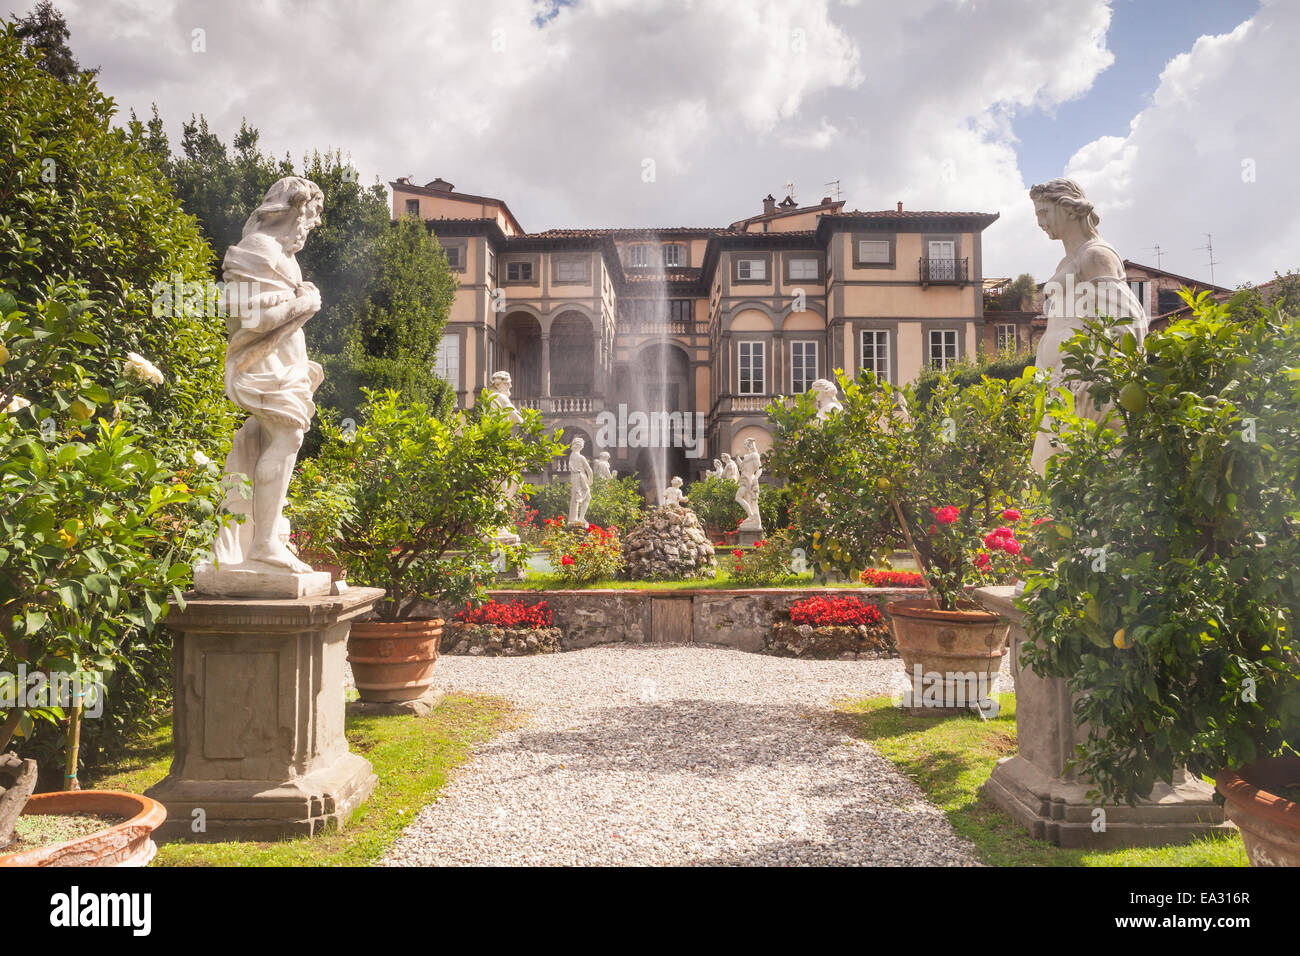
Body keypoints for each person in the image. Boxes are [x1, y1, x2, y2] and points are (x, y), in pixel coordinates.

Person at [210, 177, 325, 573]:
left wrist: (302, 303)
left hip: (286, 360)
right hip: (263, 363)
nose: (311, 227)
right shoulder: (259, 248)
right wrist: (306, 304)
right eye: (310, 216)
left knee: (270, 441)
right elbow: (255, 319)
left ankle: (264, 537)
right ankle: (263, 544)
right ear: (294, 209)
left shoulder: (285, 256)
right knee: (288, 436)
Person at [1029, 178, 1148, 474]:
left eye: (1044, 212)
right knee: (1046, 480)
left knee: (1089, 478)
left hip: (1087, 390)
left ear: (1069, 209)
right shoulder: (1066, 262)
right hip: (1061, 389)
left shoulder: (1096, 255)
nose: (1040, 222)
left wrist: (1096, 378)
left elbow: (1126, 321)